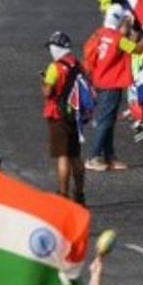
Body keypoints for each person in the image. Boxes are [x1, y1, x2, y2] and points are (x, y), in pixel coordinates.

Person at [84, 6, 143, 172]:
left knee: (108, 121)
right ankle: (93, 156)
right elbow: (137, 49)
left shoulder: (99, 33)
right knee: (105, 122)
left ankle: (109, 157)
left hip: (99, 80)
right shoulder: (119, 39)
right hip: (112, 84)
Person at [41, 32, 86, 204]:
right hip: (75, 114)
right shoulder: (77, 64)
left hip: (58, 115)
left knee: (63, 156)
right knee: (75, 155)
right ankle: (80, 194)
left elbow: (48, 92)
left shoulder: (54, 67)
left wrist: (44, 81)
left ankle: (63, 194)